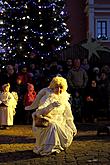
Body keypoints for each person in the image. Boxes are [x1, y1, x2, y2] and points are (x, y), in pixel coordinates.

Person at [25, 76, 77, 156]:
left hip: (61, 123)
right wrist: (51, 106)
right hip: (46, 121)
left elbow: (69, 117)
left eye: (61, 87)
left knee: (56, 125)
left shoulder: (65, 100)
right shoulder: (47, 98)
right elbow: (39, 112)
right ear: (52, 88)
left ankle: (56, 146)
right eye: (57, 87)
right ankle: (49, 148)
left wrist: (73, 127)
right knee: (53, 125)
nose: (59, 90)